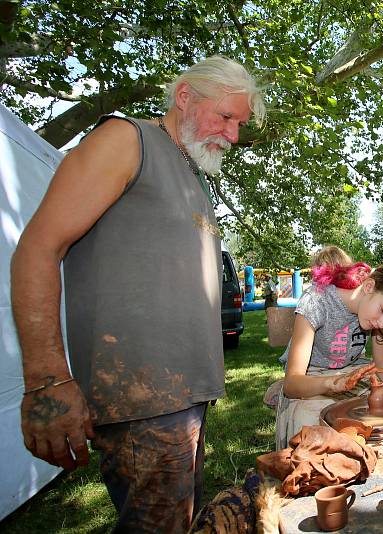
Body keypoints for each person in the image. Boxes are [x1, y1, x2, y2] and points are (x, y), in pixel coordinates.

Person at [10, 56, 265, 532]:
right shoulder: (126, 139)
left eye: (240, 124)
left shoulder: (192, 170)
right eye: (226, 117)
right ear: (184, 96)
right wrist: (46, 382)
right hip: (140, 402)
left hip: (183, 399)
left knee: (178, 521)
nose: (232, 135)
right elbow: (38, 248)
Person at [276, 263, 383, 449]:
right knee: (311, 427)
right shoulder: (316, 302)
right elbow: (292, 384)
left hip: (353, 373)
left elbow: (382, 362)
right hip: (310, 379)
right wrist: (332, 384)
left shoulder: (377, 316)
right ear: (368, 286)